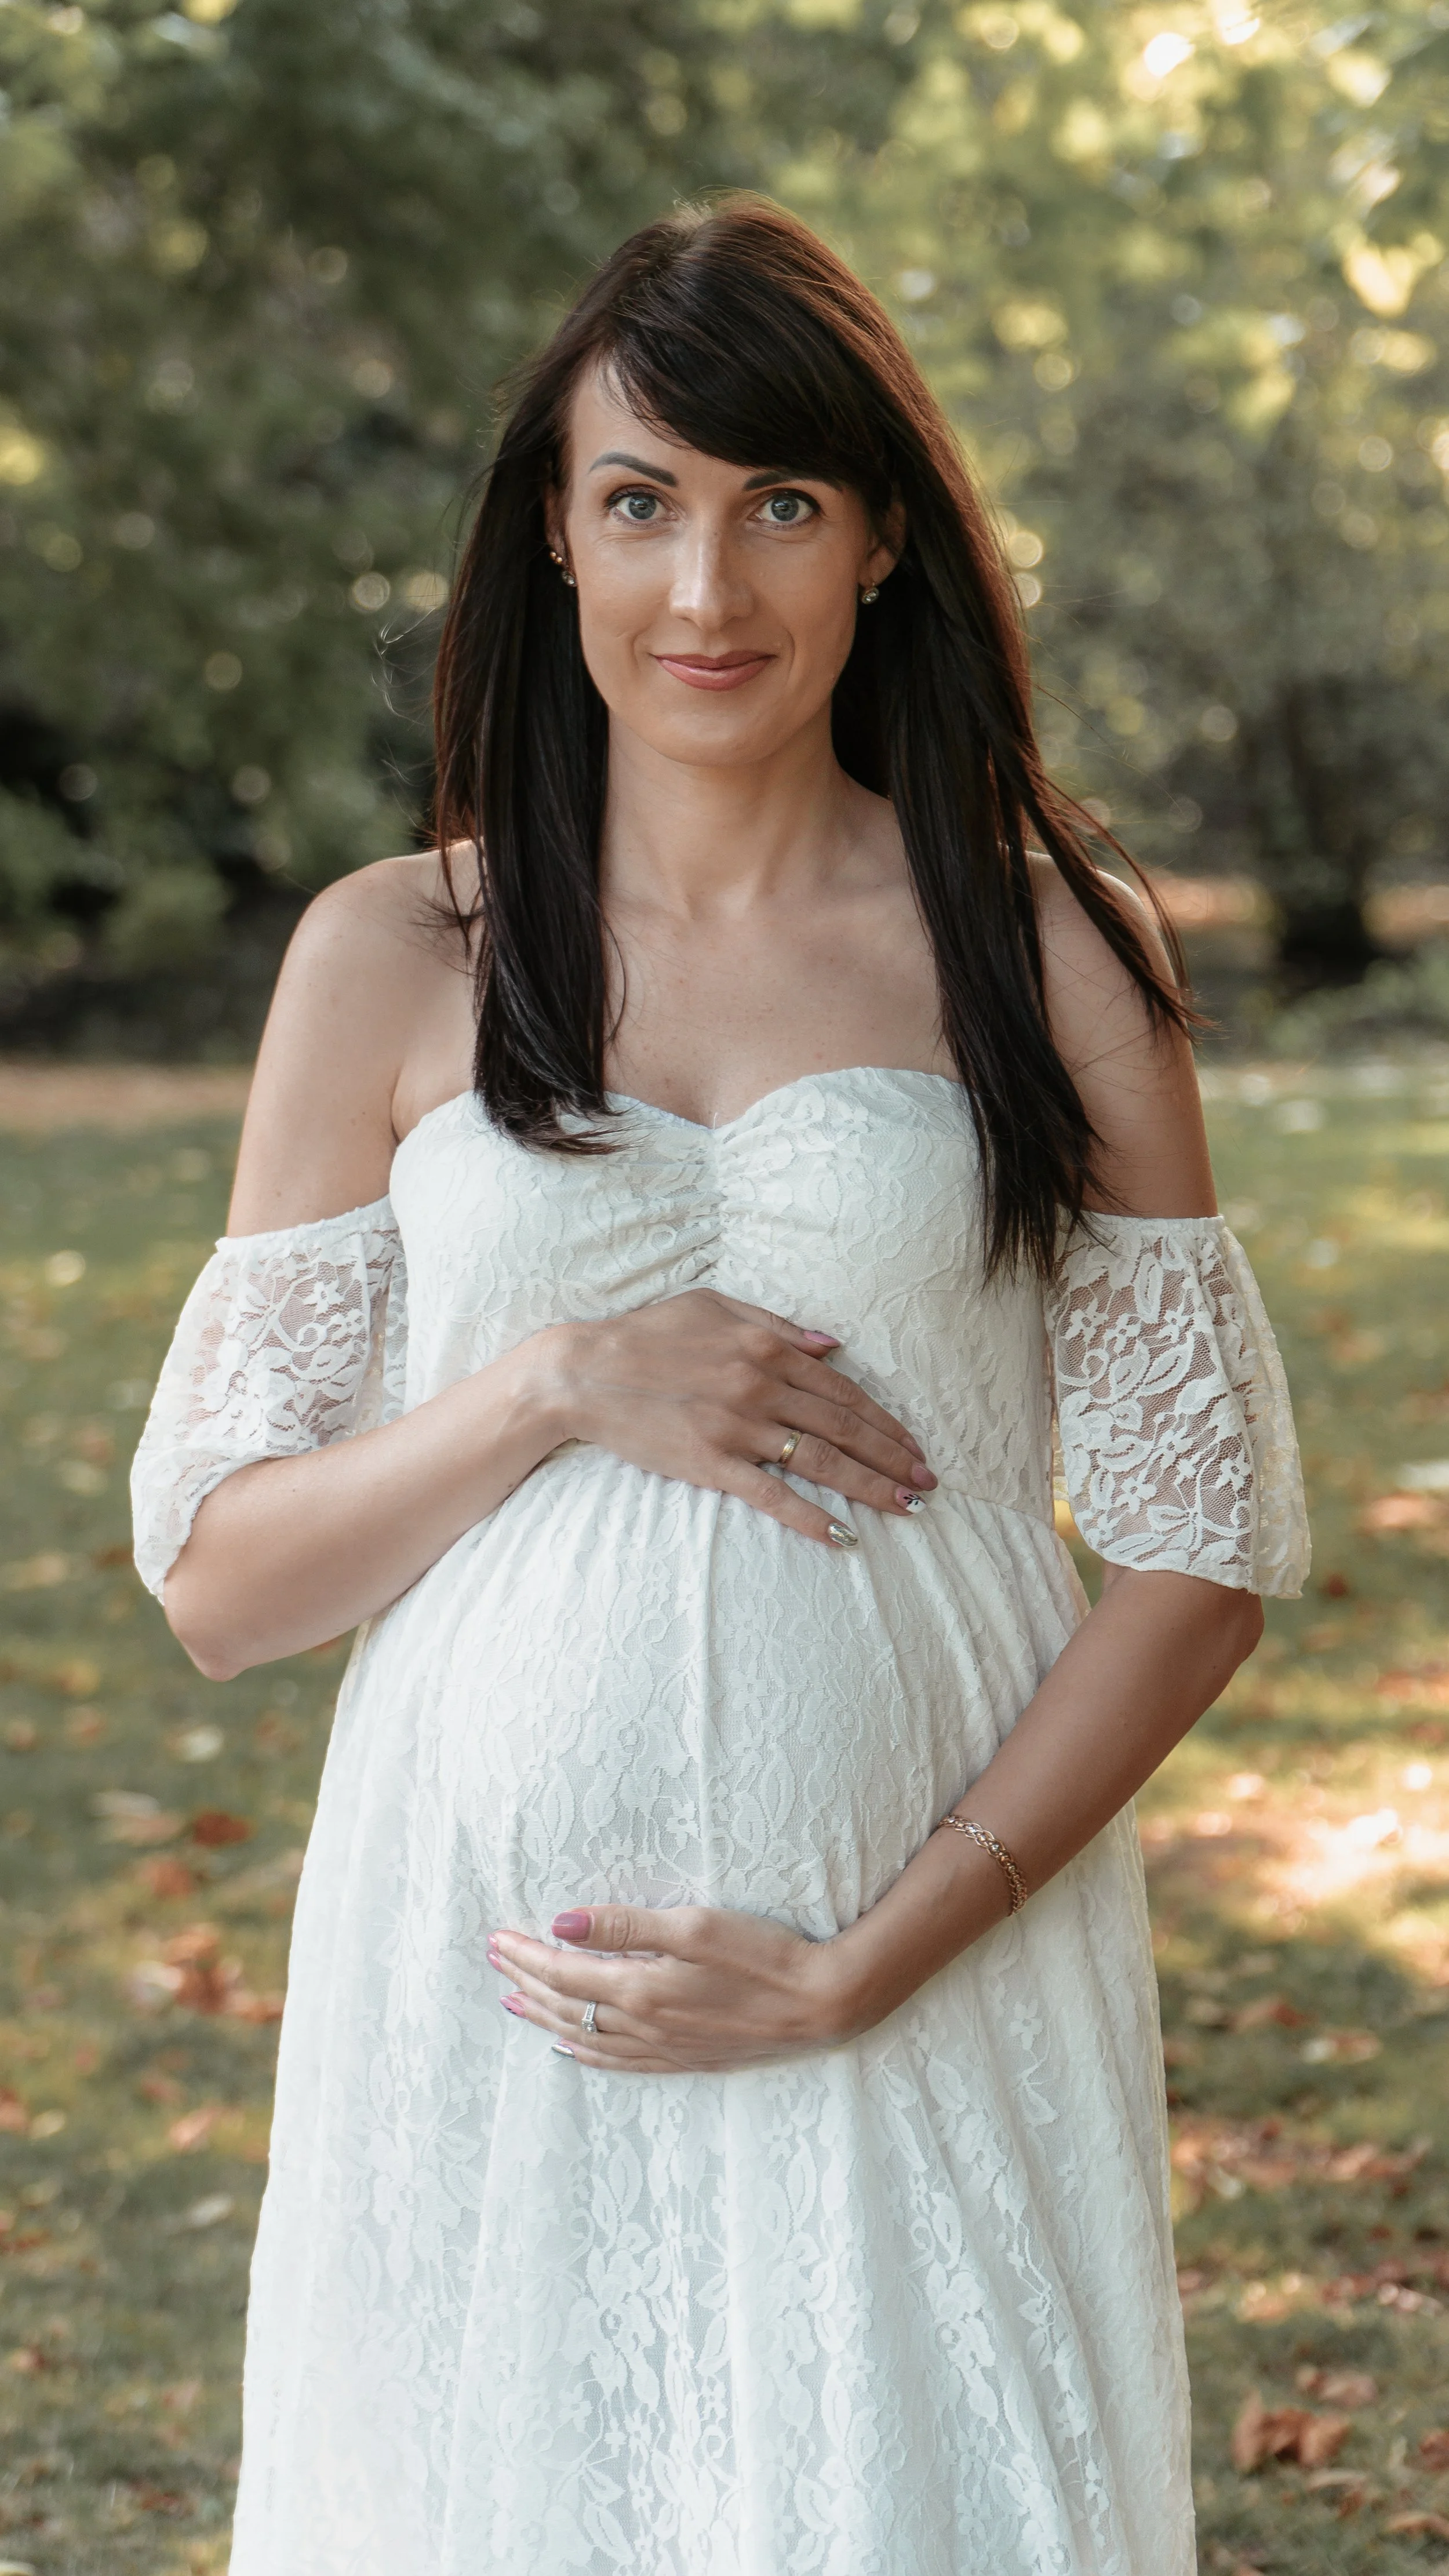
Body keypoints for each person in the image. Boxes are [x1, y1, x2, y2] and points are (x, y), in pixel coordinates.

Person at [132, 197, 1308, 2576]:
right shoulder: (393, 951)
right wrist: (554, 1377)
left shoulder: (1046, 943)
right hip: (485, 1974)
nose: (707, 588)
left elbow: (1201, 1542)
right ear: (549, 541)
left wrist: (883, 1950)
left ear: (881, 542)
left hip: (920, 1954)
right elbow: (217, 1583)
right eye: (640, 502)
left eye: (779, 502)